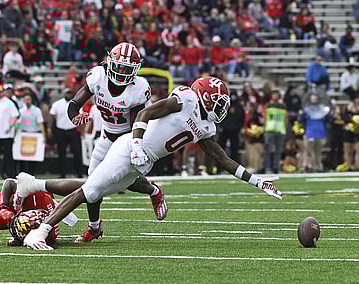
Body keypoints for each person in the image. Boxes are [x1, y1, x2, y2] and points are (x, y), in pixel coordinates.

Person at [21, 76, 283, 250]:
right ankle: (40, 231)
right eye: (218, 101)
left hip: (143, 162)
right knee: (88, 191)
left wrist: (258, 181)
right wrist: (135, 144)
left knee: (93, 192)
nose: (221, 107)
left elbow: (222, 158)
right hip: (130, 148)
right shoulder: (185, 98)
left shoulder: (206, 126)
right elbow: (146, 112)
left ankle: (34, 187)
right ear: (203, 96)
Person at [64, 42, 166, 243]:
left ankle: (154, 191)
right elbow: (74, 104)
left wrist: (133, 147)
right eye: (118, 67)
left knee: (122, 181)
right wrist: (75, 117)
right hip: (106, 136)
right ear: (110, 61)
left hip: (128, 138)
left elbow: (137, 123)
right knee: (93, 182)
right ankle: (94, 227)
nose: (120, 73)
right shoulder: (97, 76)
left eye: (126, 70)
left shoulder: (139, 88)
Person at [49, 88, 84, 179]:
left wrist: (82, 130)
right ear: (64, 93)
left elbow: (82, 117)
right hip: (60, 130)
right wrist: (50, 129)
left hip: (73, 129)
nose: (68, 94)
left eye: (70, 93)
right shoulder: (57, 104)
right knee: (61, 153)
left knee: (77, 152)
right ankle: (62, 174)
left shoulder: (77, 104)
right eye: (67, 92)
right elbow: (52, 117)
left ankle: (79, 172)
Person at [17, 93, 46, 174]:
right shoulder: (21, 111)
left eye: (28, 99)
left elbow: (40, 123)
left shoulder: (37, 110)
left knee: (33, 156)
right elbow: (18, 123)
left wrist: (43, 136)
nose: (27, 101)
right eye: (25, 99)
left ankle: (31, 173)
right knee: (22, 156)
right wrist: (16, 134)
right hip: (23, 133)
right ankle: (21, 173)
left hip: (34, 134)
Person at [264, 90, 287, 174]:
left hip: (280, 130)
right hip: (270, 130)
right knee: (268, 150)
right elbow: (265, 117)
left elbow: (285, 118)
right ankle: (267, 167)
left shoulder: (282, 106)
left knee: (278, 150)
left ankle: (275, 167)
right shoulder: (268, 105)